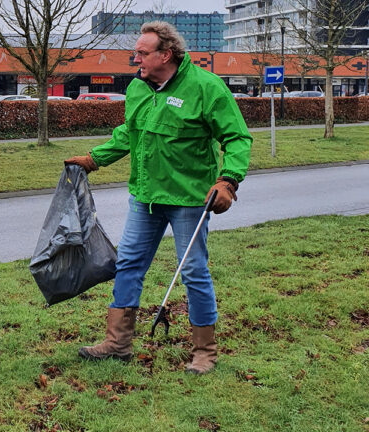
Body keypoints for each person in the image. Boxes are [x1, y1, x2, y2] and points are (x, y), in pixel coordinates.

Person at [65, 21, 252, 374]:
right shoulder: (138, 89)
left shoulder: (206, 87)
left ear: (165, 55)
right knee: (128, 264)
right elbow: (128, 134)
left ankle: (204, 353)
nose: (135, 58)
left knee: (194, 271)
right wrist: (94, 159)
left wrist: (228, 181)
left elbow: (237, 138)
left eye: (141, 52)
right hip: (145, 198)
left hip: (190, 199)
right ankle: (117, 343)